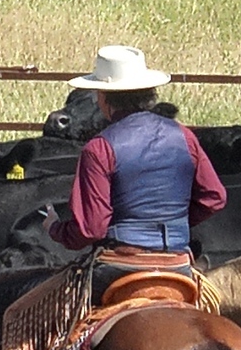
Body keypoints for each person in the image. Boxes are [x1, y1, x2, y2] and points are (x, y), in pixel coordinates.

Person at [49, 45, 227, 266]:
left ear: (103, 98)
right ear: (149, 93)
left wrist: (55, 229)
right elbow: (214, 197)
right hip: (179, 264)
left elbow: (90, 229)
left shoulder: (99, 149)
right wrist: (172, 225)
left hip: (121, 264)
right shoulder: (185, 136)